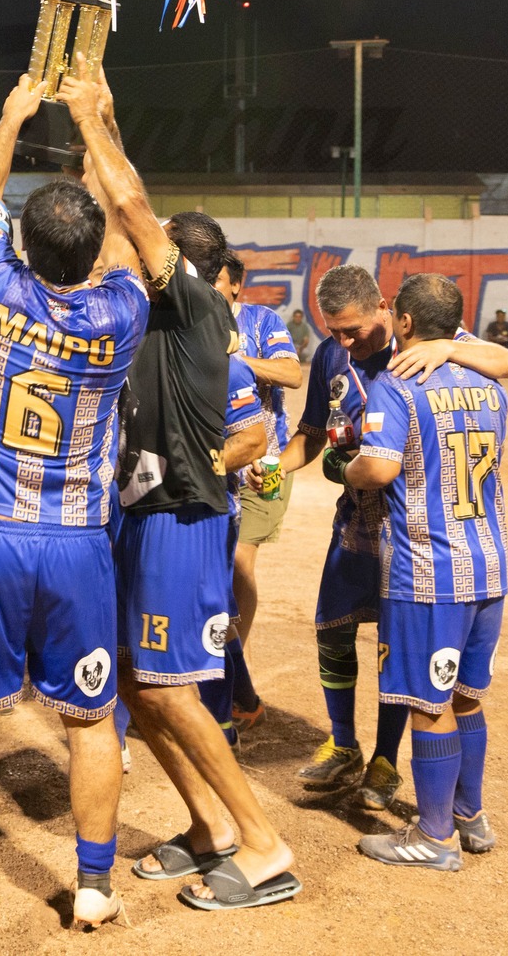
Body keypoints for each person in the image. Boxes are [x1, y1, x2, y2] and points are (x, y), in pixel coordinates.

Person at [61, 65, 299, 915]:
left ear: (179, 262)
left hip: (183, 520)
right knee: (131, 679)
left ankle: (265, 846)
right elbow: (113, 209)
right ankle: (208, 826)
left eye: (148, 237)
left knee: (169, 688)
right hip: (139, 514)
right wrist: (104, 124)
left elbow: (127, 208)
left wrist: (95, 119)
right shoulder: (144, 305)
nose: (129, 238)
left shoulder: (197, 310)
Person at [0, 75, 149, 941]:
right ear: (93, 250)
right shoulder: (124, 309)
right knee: (89, 718)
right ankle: (93, 886)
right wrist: (99, 121)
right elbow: (130, 216)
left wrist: (14, 113)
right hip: (76, 543)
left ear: (18, 242)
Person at [274, 264, 508, 815]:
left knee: (397, 650)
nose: (344, 341)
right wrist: (276, 465)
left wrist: (452, 352)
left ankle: (385, 758)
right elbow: (313, 434)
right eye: (333, 330)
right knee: (331, 629)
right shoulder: (333, 358)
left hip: (410, 536)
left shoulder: (429, 344)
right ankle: (343, 743)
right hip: (356, 524)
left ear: (388, 310)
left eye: (354, 329)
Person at [343, 273, 508, 870]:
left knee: (427, 703)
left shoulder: (397, 383)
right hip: (488, 564)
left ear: (404, 324)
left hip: (429, 570)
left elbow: (380, 469)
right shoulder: (490, 385)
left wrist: (348, 469)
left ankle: (435, 837)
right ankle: (469, 814)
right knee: (467, 696)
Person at [213, 248, 303, 734]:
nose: (209, 286)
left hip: (265, 463)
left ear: (235, 286)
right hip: (219, 468)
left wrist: (234, 359)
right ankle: (227, 673)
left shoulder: (261, 320)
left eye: (217, 280)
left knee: (239, 563)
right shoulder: (190, 324)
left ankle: (234, 674)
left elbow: (291, 373)